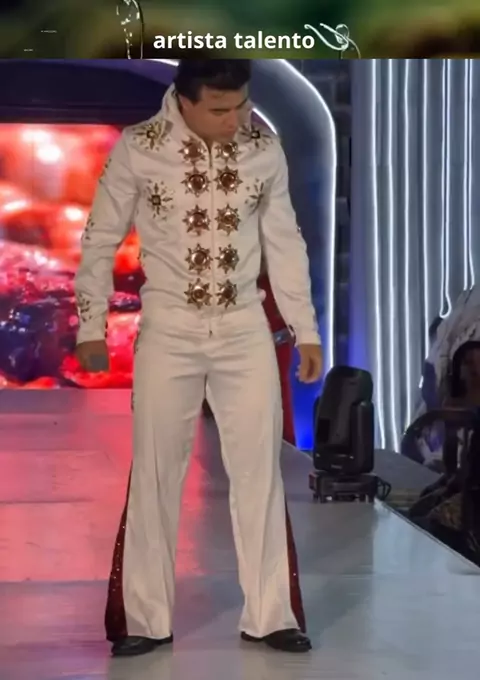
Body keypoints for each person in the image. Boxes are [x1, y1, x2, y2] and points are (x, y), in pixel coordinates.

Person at [74, 59, 323, 658]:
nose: (235, 119)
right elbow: (101, 236)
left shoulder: (264, 149)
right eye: (220, 109)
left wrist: (305, 329)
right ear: (183, 101)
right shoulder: (139, 148)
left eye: (242, 106)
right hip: (169, 328)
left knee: (260, 472)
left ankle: (271, 615)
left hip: (244, 326)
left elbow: (284, 242)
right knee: (157, 473)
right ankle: (144, 618)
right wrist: (90, 324)